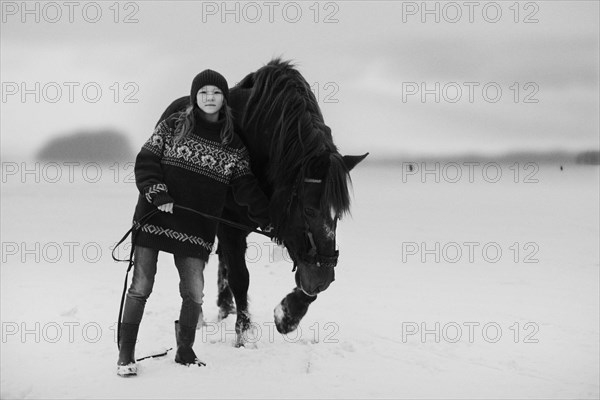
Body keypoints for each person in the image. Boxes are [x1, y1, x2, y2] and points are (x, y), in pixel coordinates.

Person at [117, 69, 271, 377]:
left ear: (224, 99)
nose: (209, 98)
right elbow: (146, 161)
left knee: (194, 293)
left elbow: (245, 189)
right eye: (203, 93)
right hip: (153, 217)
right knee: (140, 287)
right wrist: (158, 193)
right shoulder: (173, 125)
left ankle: (185, 352)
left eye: (215, 92)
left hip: (195, 229)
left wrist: (270, 220)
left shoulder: (234, 146)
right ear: (194, 97)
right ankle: (125, 356)